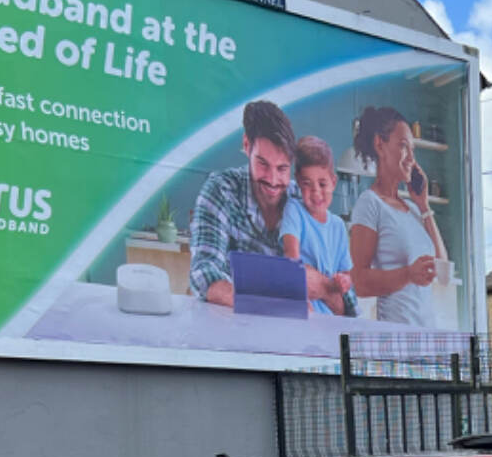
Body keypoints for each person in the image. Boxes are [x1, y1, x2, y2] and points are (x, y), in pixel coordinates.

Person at [189, 100, 332, 308]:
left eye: (282, 169)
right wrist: (262, 303)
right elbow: (203, 270)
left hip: (293, 329)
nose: (273, 180)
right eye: (263, 164)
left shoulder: (301, 200)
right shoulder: (221, 191)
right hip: (232, 325)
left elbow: (332, 284)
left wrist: (323, 287)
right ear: (247, 146)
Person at [349, 106, 447, 327]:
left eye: (413, 149)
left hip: (427, 337)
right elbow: (360, 281)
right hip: (396, 341)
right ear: (379, 144)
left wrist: (424, 205)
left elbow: (442, 269)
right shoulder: (369, 204)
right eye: (404, 147)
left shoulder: (414, 209)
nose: (412, 158)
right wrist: (408, 275)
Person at [279, 136, 355, 316]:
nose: (316, 192)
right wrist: (298, 295)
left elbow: (346, 273)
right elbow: (291, 255)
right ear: (297, 181)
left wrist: (343, 281)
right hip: (303, 312)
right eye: (307, 184)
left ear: (333, 182)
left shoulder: (338, 226)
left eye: (322, 184)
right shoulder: (294, 209)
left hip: (329, 317)